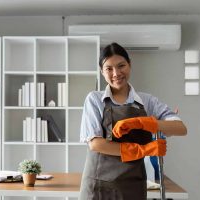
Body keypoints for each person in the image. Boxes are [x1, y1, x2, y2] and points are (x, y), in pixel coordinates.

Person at [79, 42, 187, 200]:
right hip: (99, 187)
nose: (116, 73)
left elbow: (180, 128)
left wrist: (143, 123)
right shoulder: (95, 99)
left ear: (129, 65)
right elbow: (96, 144)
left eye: (121, 65)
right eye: (109, 68)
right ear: (102, 72)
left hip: (133, 186)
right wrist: (143, 150)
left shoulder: (147, 101)